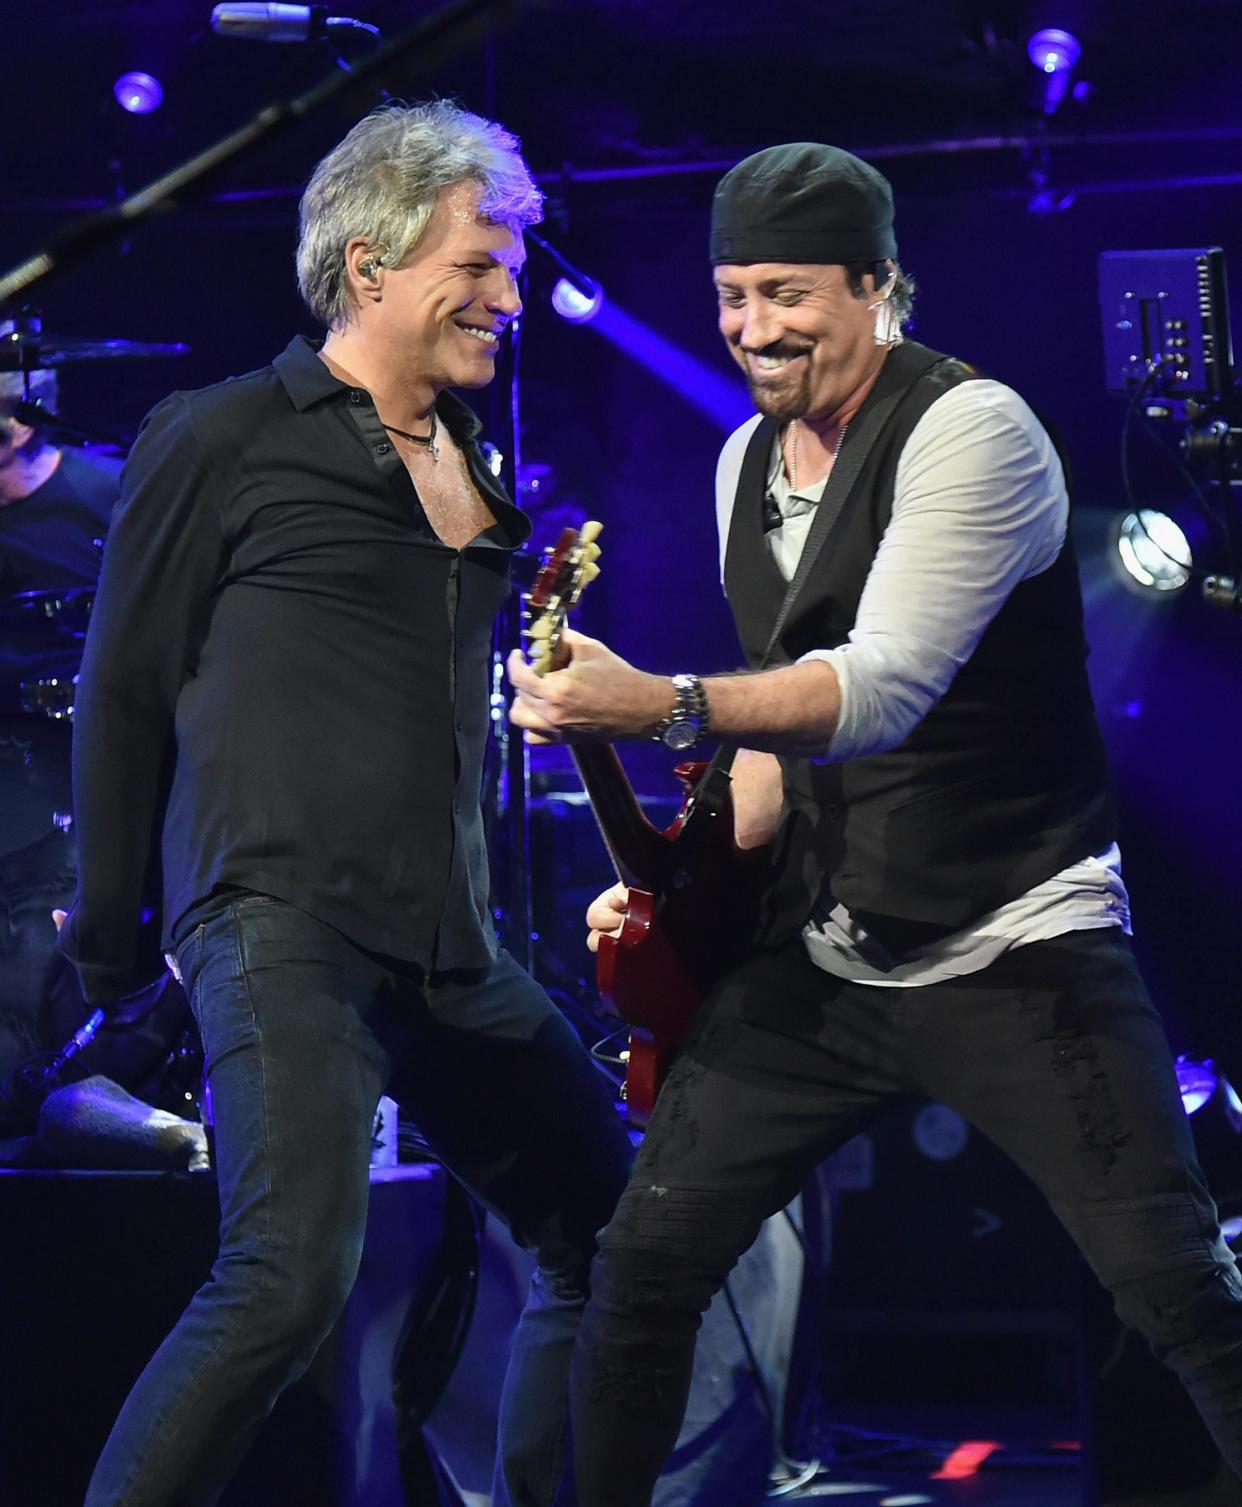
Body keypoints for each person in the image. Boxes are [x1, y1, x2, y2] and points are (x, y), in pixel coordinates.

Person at [506, 142, 1242, 1502]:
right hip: (831, 956)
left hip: (1016, 942)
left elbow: (879, 692)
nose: (750, 328)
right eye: (731, 295)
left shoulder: (972, 428)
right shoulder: (743, 464)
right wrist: (675, 891)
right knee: (641, 1271)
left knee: (1174, 1291)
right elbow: (777, 758)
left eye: (786, 292)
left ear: (878, 285)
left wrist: (652, 703)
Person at [58, 100, 633, 1507]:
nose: (509, 293)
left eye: (510, 264)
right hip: (280, 918)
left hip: (447, 944)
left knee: (617, 1244)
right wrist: (122, 945)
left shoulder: (468, 459)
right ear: (369, 265)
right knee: (282, 1281)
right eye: (480, 261)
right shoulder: (224, 436)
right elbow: (123, 688)